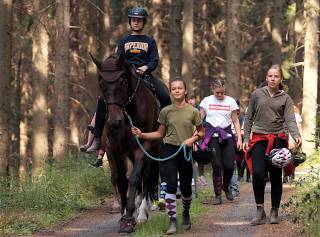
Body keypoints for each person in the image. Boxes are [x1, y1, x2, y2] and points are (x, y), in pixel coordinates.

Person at [88, 6, 171, 166]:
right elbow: (117, 58)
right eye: (134, 20)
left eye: (139, 20)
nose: (136, 22)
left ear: (143, 22)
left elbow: (154, 60)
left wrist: (145, 67)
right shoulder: (124, 41)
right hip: (125, 77)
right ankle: (98, 137)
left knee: (165, 95)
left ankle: (168, 131)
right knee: (103, 100)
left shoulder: (149, 41)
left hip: (144, 75)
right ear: (130, 22)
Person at [131, 78, 204, 235]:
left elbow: (201, 132)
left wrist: (192, 139)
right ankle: (172, 220)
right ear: (171, 92)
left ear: (185, 91)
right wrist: (141, 134)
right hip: (168, 150)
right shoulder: (165, 111)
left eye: (179, 88)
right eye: (173, 88)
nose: (177, 90)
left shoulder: (193, 111)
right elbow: (159, 133)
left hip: (185, 151)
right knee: (170, 185)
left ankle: (185, 212)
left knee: (185, 188)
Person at [243, 64, 302, 225]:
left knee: (276, 176)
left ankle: (274, 210)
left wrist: (296, 136)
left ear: (280, 79)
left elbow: (290, 119)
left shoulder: (285, 98)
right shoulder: (257, 94)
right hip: (259, 139)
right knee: (258, 174)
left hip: (278, 140)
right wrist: (246, 138)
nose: (272, 79)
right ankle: (259, 209)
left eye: (276, 76)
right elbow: (248, 118)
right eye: (270, 76)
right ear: (266, 78)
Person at [199, 79, 242, 205]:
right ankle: (217, 195)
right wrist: (195, 134)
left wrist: (239, 138)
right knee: (216, 166)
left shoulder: (231, 101)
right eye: (217, 93)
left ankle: (226, 186)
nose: (220, 95)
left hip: (227, 135)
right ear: (212, 90)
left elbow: (235, 121)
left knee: (229, 166)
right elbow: (199, 118)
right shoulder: (206, 101)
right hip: (211, 136)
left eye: (222, 93)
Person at [187, 94, 207, 186]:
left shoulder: (200, 109)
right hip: (188, 135)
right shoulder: (185, 108)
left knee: (199, 153)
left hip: (199, 135)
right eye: (189, 99)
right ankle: (191, 177)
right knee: (190, 155)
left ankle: (201, 175)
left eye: (192, 99)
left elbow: (205, 122)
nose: (191, 101)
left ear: (195, 99)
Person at [283, 104, 303, 182]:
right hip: (285, 137)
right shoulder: (283, 115)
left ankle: (290, 174)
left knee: (290, 156)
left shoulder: (296, 116)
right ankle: (287, 174)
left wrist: (299, 138)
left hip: (293, 138)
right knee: (286, 156)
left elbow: (299, 128)